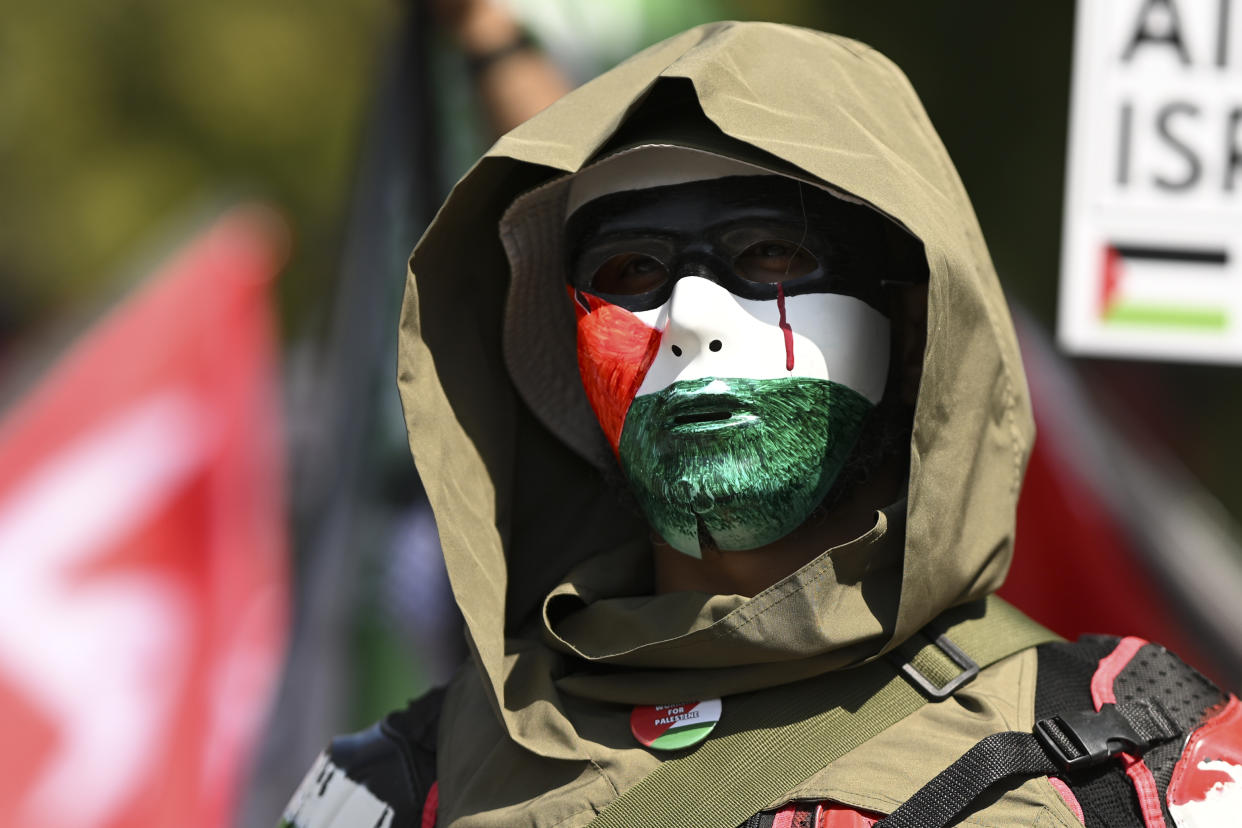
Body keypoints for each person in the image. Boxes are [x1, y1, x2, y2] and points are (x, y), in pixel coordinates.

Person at [280, 21, 1242, 828]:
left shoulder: (1142, 764)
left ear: (912, 324)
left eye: (771, 253)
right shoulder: (394, 787)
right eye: (628, 274)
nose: (689, 317)